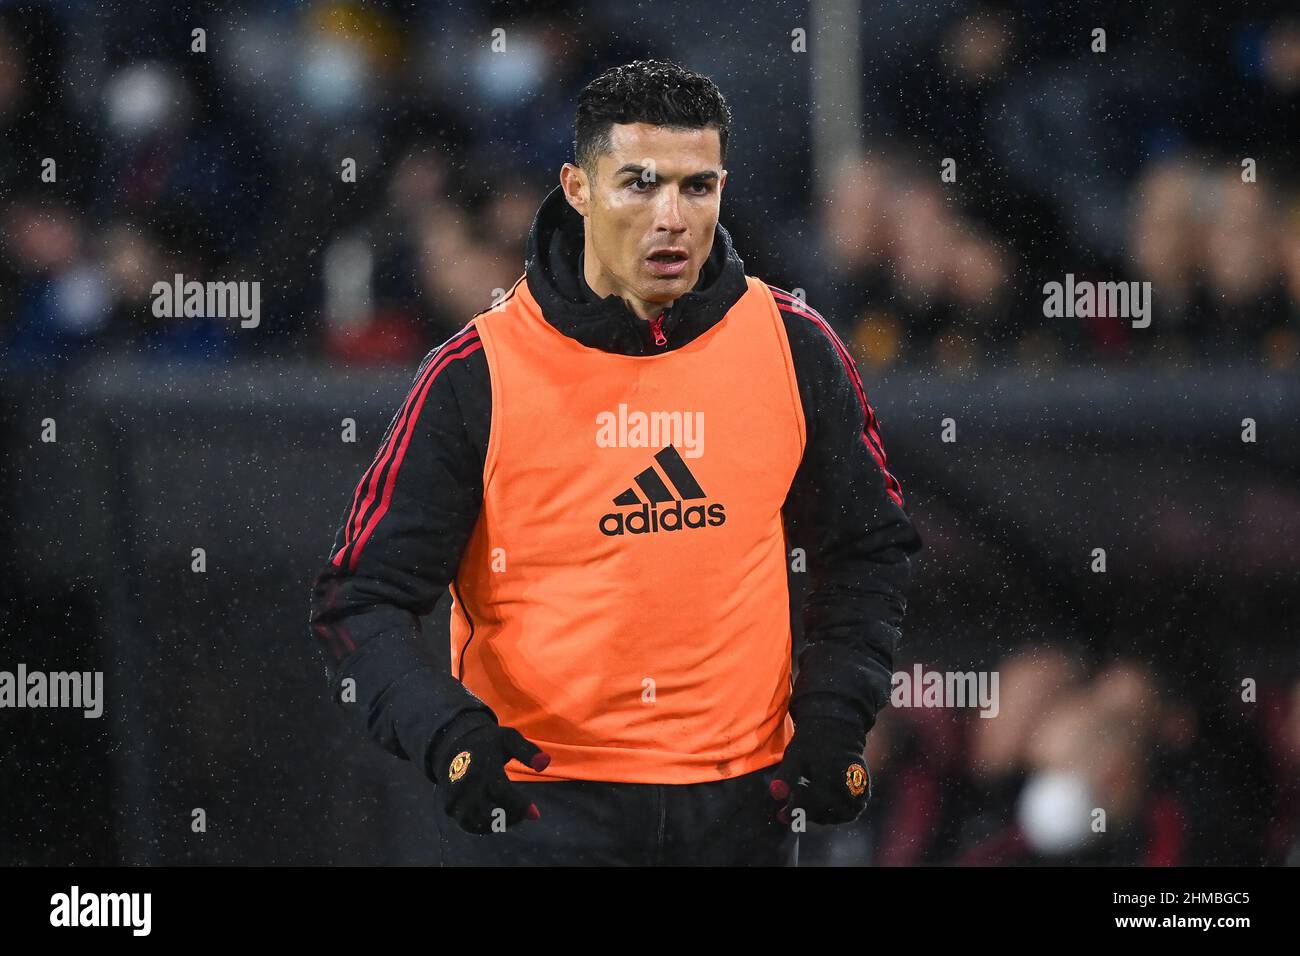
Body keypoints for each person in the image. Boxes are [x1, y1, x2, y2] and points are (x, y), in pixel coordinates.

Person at [309, 59, 922, 866]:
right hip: (544, 815)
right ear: (577, 187)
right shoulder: (476, 377)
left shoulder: (795, 348)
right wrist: (450, 737)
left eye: (697, 187)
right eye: (639, 183)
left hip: (743, 817)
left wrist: (836, 718)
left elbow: (869, 549)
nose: (671, 217)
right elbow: (360, 601)